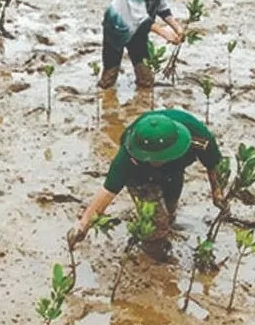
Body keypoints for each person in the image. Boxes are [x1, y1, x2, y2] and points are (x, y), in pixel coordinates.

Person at [68, 109, 223, 259]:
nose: (156, 162)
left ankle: (166, 221)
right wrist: (82, 226)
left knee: (170, 210)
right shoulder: (128, 152)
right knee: (156, 224)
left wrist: (217, 192)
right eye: (153, 158)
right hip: (140, 173)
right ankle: (152, 254)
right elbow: (109, 190)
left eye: (160, 157)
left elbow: (214, 165)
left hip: (175, 168)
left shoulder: (199, 138)